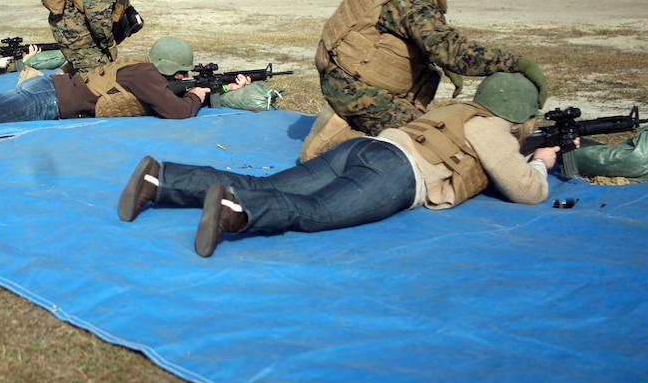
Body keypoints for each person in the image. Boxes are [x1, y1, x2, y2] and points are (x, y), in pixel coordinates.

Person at [119, 72, 566, 258]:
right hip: (395, 174)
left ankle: (163, 178)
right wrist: (543, 162)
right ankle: (239, 212)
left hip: (361, 150)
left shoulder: (459, 110)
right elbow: (526, 190)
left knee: (276, 182)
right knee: (316, 213)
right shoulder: (493, 128)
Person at [304, 0, 549, 161]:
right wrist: (518, 63)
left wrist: (439, 57)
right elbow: (452, 51)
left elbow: (418, 37)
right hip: (355, 90)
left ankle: (355, 117)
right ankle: (337, 141)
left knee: (429, 84)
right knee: (433, 149)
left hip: (344, 76)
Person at [0, 36, 251, 142]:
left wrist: (211, 85)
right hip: (49, 102)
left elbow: (167, 96)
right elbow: (178, 113)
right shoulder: (149, 79)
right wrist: (200, 95)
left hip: (48, 87)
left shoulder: (142, 68)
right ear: (174, 69)